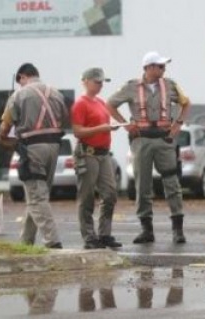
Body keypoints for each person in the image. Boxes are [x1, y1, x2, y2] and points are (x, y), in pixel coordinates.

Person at [106, 51, 191, 244]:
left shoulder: (170, 85)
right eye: (160, 66)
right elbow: (110, 104)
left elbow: (186, 103)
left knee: (172, 184)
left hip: (164, 140)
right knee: (142, 185)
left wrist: (178, 124)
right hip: (141, 140)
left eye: (163, 66)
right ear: (149, 68)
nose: (164, 69)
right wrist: (124, 124)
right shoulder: (131, 87)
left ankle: (178, 229)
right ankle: (147, 230)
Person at [0, 63, 69, 249]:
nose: (20, 85)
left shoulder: (19, 94)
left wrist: (1, 137)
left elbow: (5, 126)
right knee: (37, 195)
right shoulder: (56, 93)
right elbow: (65, 120)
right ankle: (26, 242)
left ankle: (53, 241)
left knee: (37, 198)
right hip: (54, 147)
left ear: (22, 77)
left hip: (33, 149)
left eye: (19, 81)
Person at [70, 68, 122, 249]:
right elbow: (78, 131)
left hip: (103, 153)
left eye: (101, 83)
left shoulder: (100, 102)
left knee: (110, 194)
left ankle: (104, 234)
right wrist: (102, 129)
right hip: (88, 153)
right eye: (96, 82)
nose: (100, 86)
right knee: (87, 196)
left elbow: (103, 125)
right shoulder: (80, 104)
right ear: (85, 81)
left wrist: (110, 127)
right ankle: (89, 236)